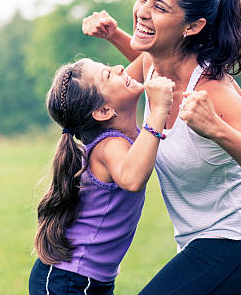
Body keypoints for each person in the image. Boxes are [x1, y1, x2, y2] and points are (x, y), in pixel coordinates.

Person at [82, 0, 241, 294]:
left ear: (192, 27)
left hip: (239, 238)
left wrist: (216, 130)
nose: (142, 11)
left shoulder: (213, 91)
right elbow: (124, 82)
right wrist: (114, 35)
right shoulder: (152, 67)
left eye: (160, 7)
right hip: (197, 241)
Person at [29, 58, 175, 294]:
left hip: (86, 279)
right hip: (69, 280)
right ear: (104, 111)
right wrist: (158, 111)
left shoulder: (121, 135)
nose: (120, 68)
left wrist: (114, 33)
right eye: (108, 74)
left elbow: (147, 58)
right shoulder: (109, 146)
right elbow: (132, 179)